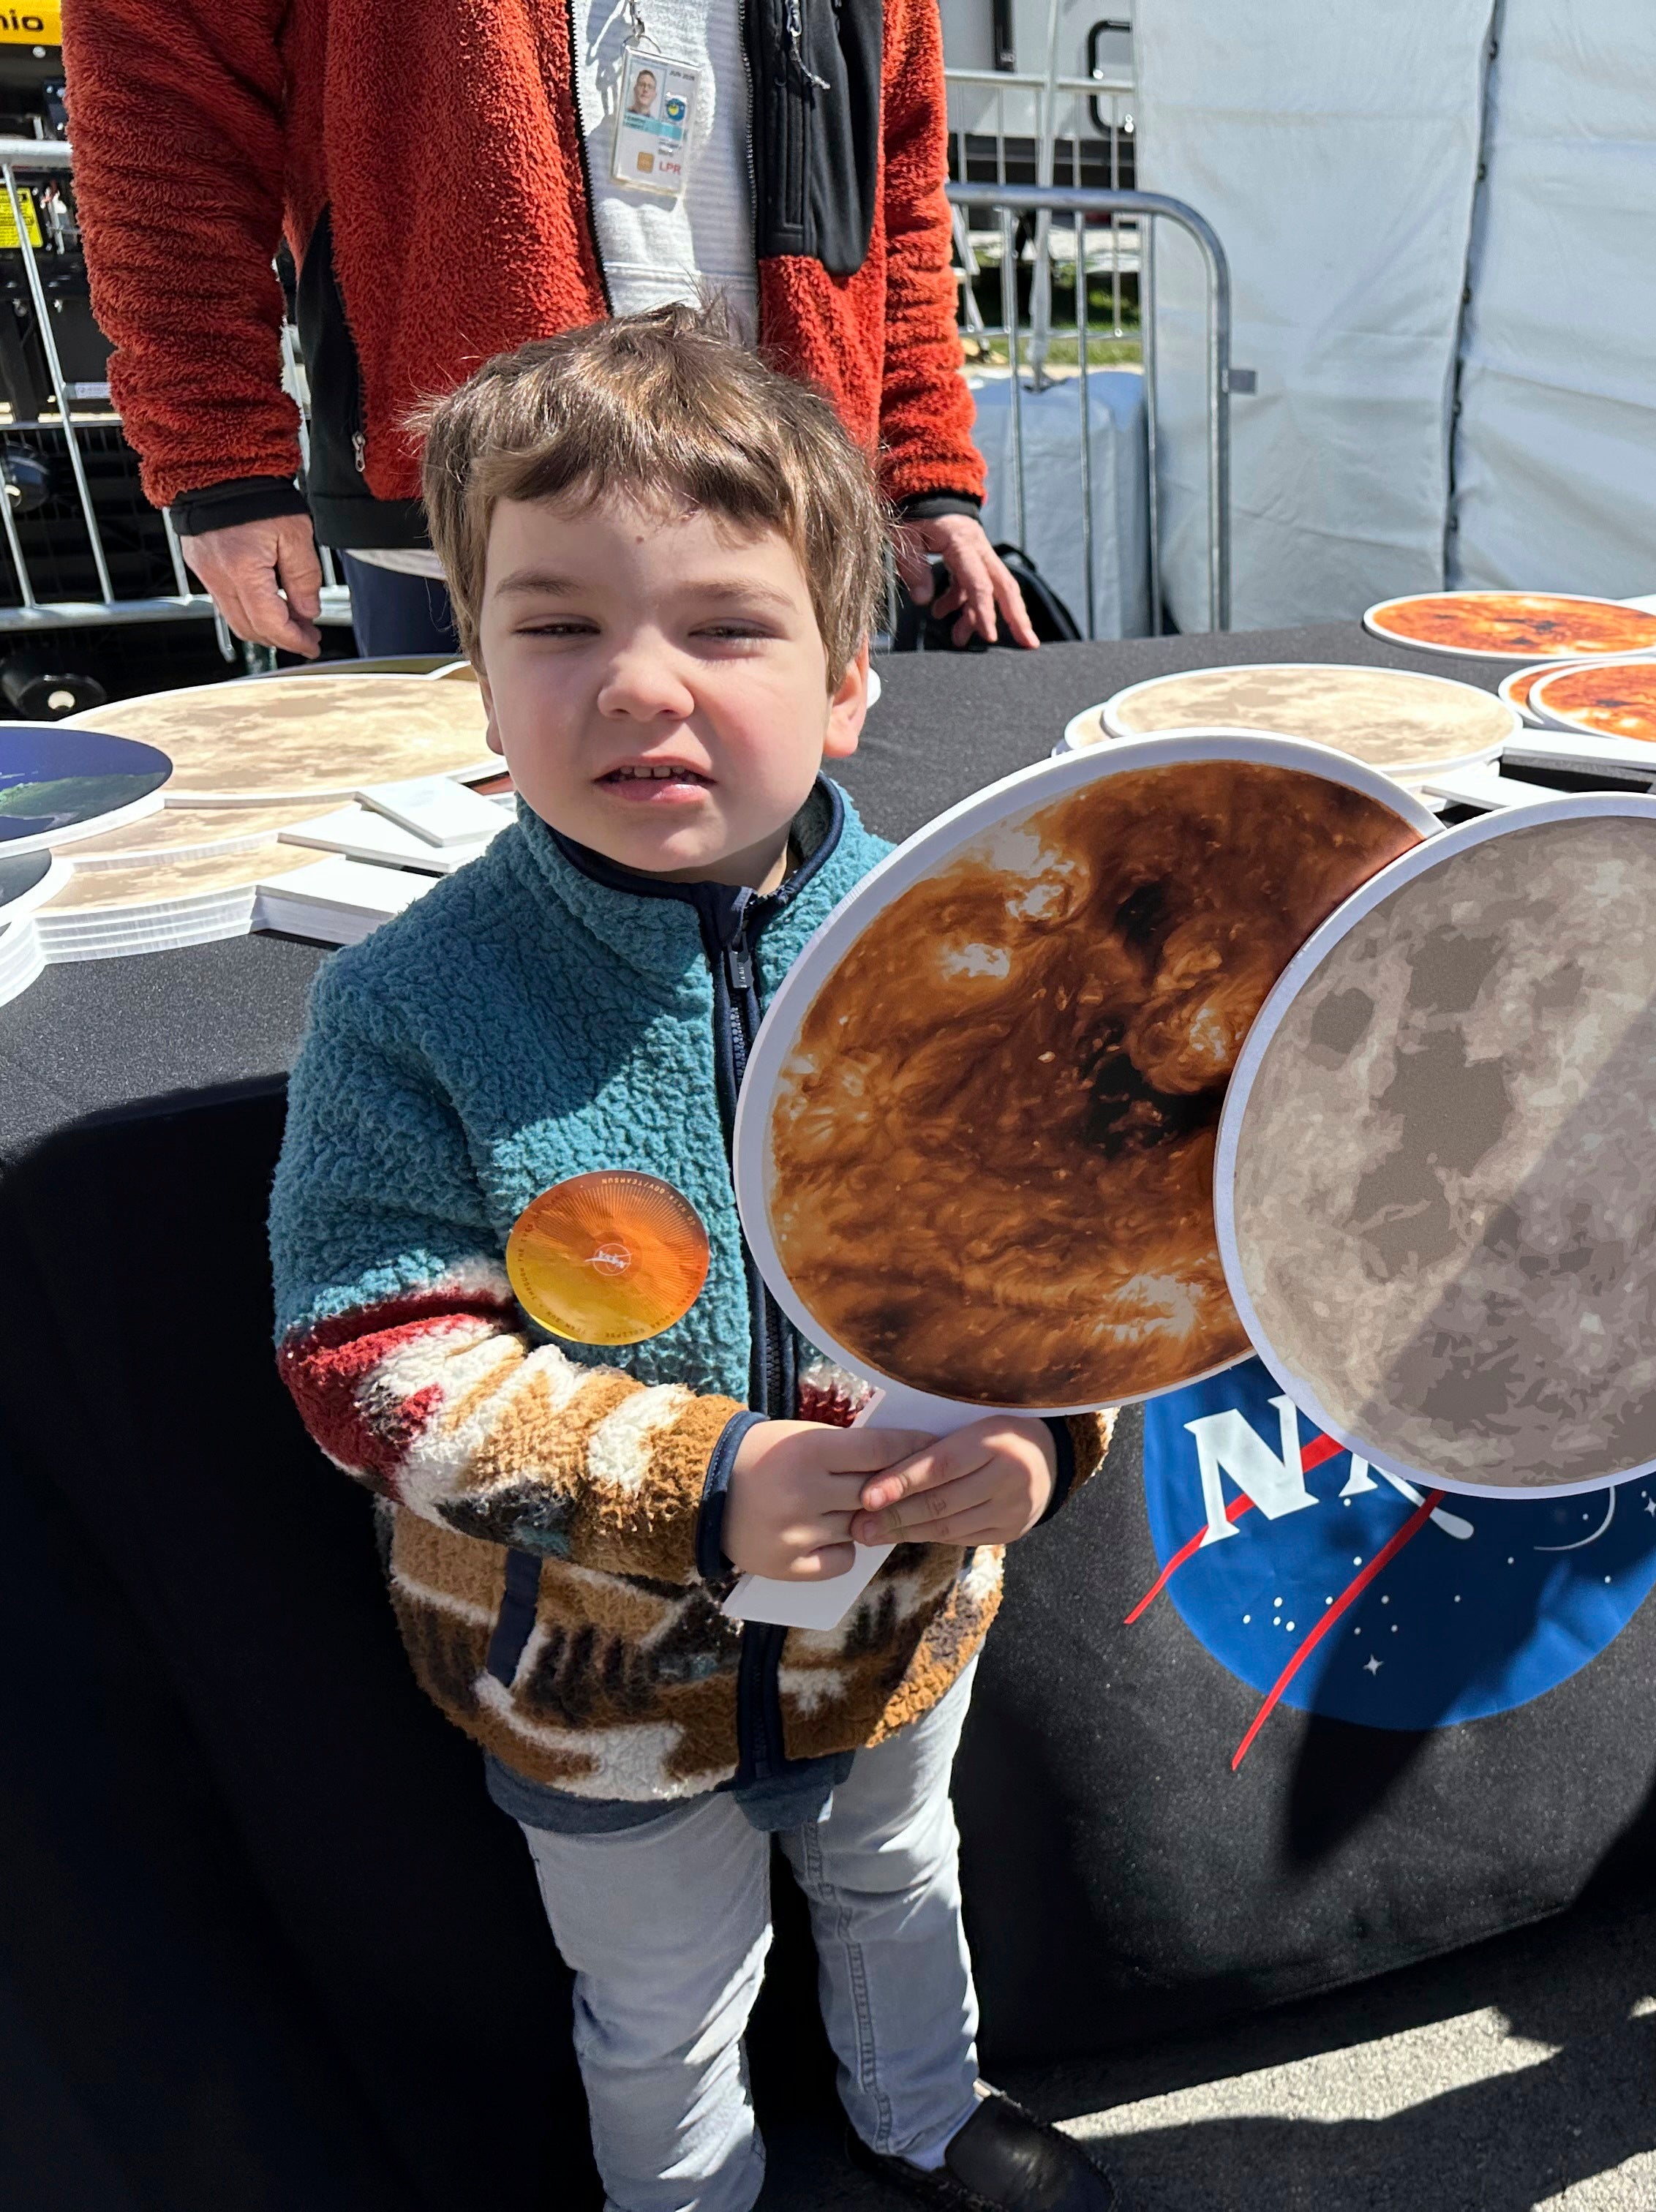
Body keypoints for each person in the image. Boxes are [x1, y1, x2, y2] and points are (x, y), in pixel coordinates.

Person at [266, 309, 1110, 2212]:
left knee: (902, 1880)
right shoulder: (410, 1008)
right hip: (594, 1687)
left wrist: (1045, 1443)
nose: (640, 685)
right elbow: (368, 1355)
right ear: (480, 678)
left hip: (896, 1636)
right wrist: (702, 1486)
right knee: (662, 2005)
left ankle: (923, 2117)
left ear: (847, 682)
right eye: (560, 625)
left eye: (725, 628)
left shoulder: (966, 955)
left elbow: (1066, 1270)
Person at [64, 0, 1034, 659]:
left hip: (788, 505)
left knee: (783, 879)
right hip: (473, 510)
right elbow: (165, 106)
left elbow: (896, 183)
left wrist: (924, 469)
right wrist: (220, 460)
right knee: (476, 880)